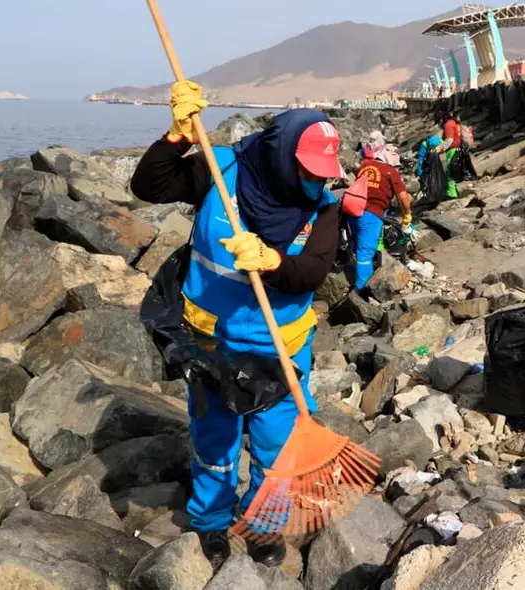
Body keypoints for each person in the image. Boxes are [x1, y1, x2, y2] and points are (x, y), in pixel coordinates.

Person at [130, 80, 345, 569]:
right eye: (308, 171)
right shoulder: (222, 169)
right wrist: (176, 138)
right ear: (280, 153)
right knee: (215, 442)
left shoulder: (324, 209)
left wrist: (271, 262)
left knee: (275, 446)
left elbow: (313, 270)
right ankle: (210, 522)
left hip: (281, 350)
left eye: (323, 174)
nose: (316, 183)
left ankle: (264, 525)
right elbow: (149, 187)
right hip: (213, 345)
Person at [349, 132, 413, 292]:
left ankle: (370, 267)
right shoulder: (391, 172)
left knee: (359, 246)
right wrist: (407, 215)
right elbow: (403, 198)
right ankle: (362, 290)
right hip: (371, 213)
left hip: (352, 208)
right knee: (365, 252)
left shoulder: (365, 165)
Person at [433, 113, 462, 199]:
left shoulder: (448, 124)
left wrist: (439, 149)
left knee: (449, 172)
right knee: (454, 171)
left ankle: (451, 194)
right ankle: (456, 192)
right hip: (457, 149)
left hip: (452, 151)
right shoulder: (454, 123)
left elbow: (449, 140)